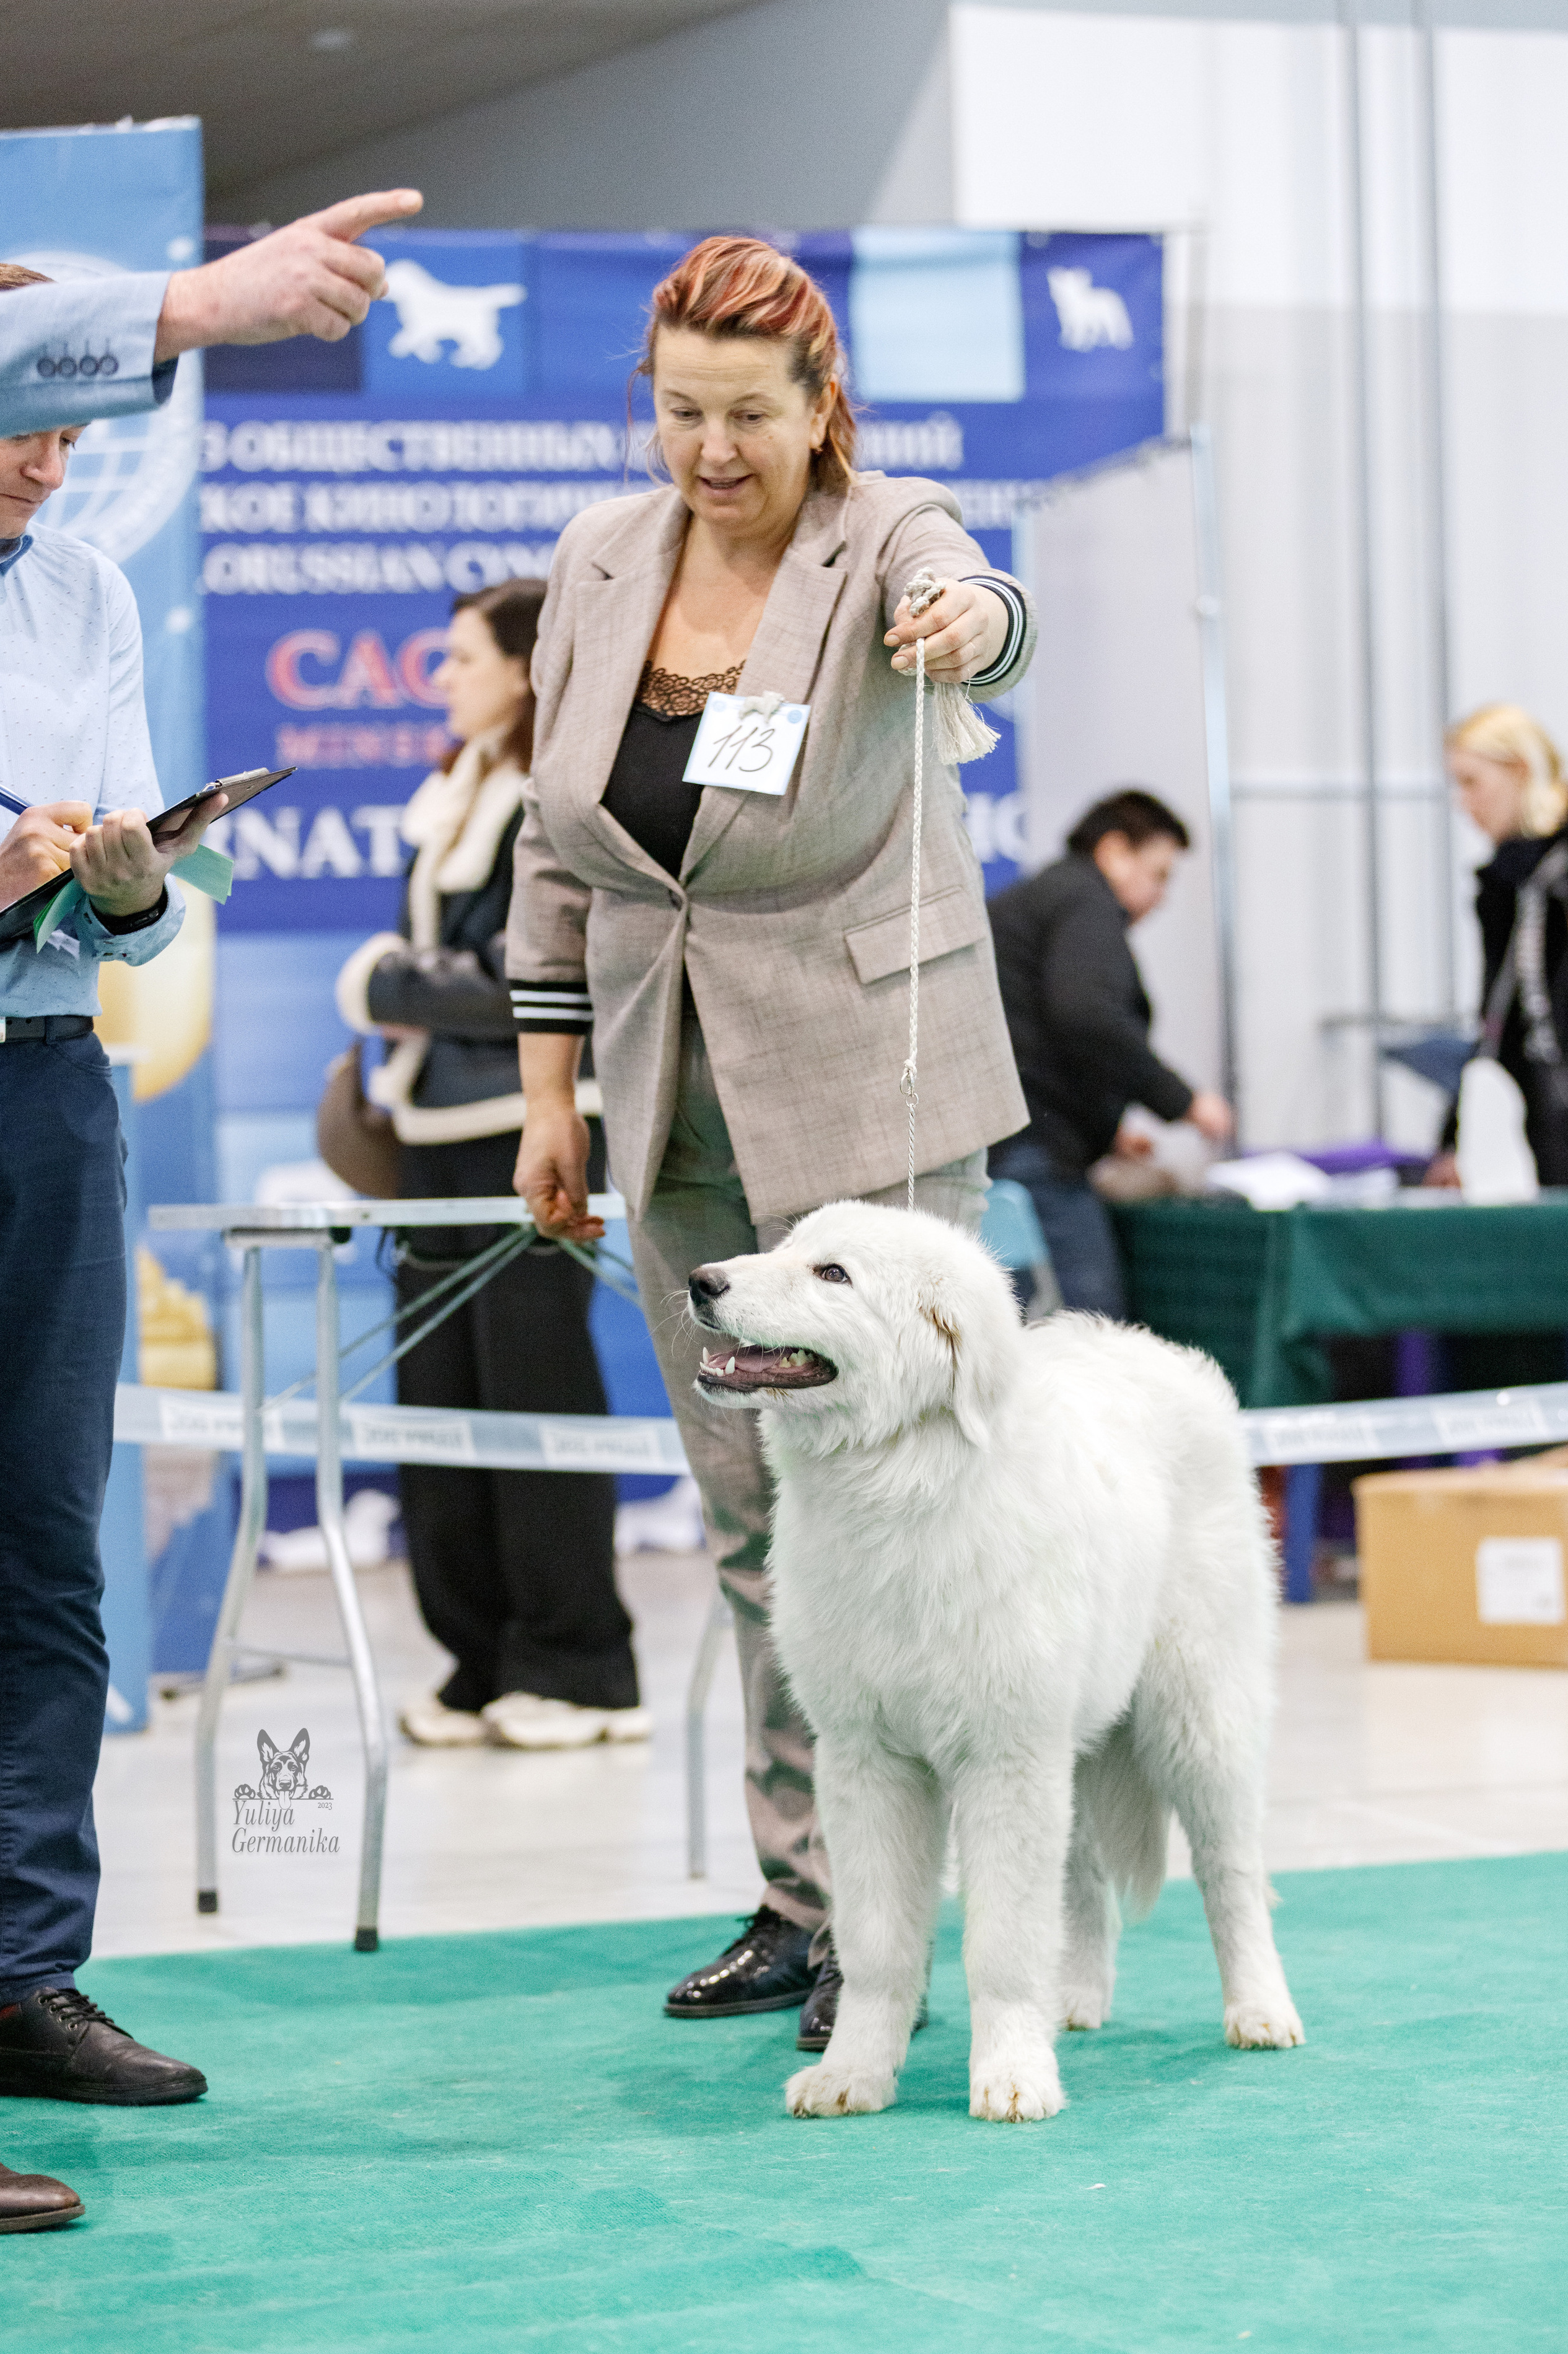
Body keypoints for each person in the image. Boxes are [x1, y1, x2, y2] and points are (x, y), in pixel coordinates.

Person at [504, 235, 1032, 2044]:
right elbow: (555, 846)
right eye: (680, 412)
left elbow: (985, 601)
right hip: (674, 1110)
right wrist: (552, 1091)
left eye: (748, 414)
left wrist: (976, 626)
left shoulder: (888, 536)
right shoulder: (595, 564)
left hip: (870, 1085)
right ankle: (810, 1907)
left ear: (820, 406)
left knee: (912, 1522)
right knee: (752, 1525)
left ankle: (948, 1913)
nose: (712, 450)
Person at [0, 193, 422, 2240]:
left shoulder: (83, 592)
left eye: (74, 422)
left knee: (46, 1549)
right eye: (28, 410)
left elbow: (142, 891)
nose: (54, 452)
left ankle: (17, 1973)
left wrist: (135, 879)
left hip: (52, 1084)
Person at [336, 582, 645, 1751]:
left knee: (533, 1390)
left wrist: (382, 985)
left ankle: (581, 1667)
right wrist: (410, 988)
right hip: (430, 1134)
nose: (446, 676)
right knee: (443, 1398)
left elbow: (533, 977)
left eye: (464, 657)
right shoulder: (456, 788)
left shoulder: (557, 798)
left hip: (540, 1122)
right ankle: (478, 1657)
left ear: (526, 669)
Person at [986, 790, 1233, 1318]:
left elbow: (1032, 1034)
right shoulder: (1084, 900)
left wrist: (1103, 1127)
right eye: (1160, 874)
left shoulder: (1045, 898)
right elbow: (1088, 1016)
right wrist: (1186, 1101)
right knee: (1091, 1338)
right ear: (1116, 851)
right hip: (1035, 1158)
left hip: (1008, 1143)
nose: (1162, 895)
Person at [0, 190, 422, 441]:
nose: (50, 476)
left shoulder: (87, 585)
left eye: (68, 445)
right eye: (17, 429)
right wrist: (207, 300)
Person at [1426, 705, 1568, 1190]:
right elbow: (1498, 1017)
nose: (1463, 801)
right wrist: (1455, 1137)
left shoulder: (1546, 879)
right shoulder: (1510, 883)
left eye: (1472, 782)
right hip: (1538, 1122)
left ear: (1520, 770)